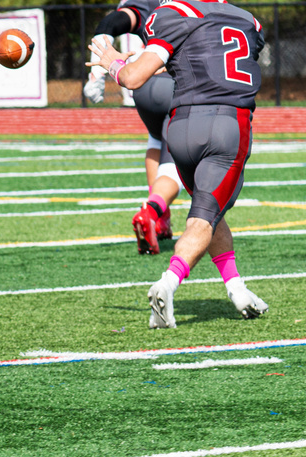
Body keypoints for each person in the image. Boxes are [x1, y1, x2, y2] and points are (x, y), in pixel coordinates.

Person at [88, 0, 269, 328]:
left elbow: (132, 78)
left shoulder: (173, 13)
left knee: (211, 212)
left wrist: (111, 63)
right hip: (228, 125)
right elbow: (214, 59)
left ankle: (236, 287)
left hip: (180, 129)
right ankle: (167, 284)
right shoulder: (248, 20)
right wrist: (121, 64)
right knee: (203, 219)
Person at [84, 0, 183, 255]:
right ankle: (152, 210)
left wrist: (96, 77)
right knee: (178, 157)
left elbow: (108, 24)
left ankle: (162, 221)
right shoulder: (200, 6)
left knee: (156, 139)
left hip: (144, 87)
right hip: (175, 84)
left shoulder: (147, 4)